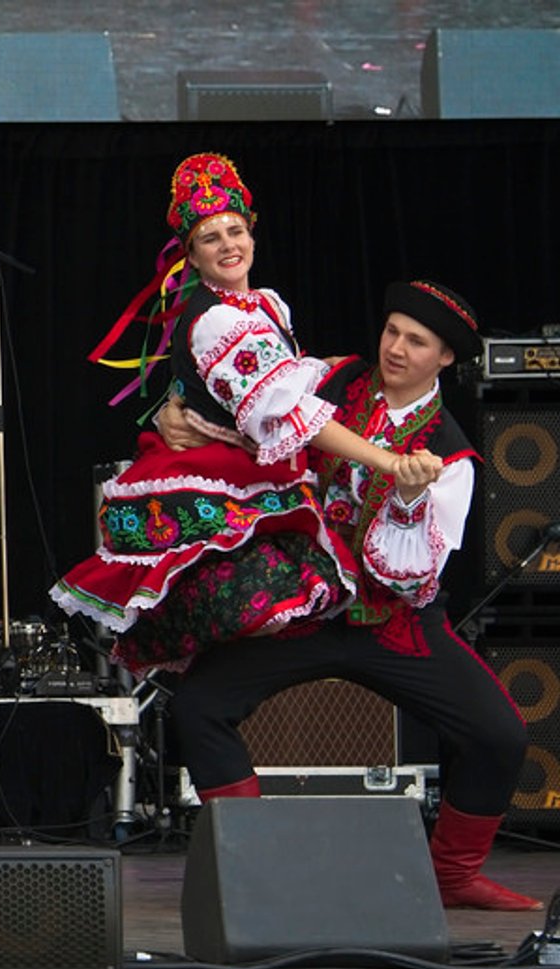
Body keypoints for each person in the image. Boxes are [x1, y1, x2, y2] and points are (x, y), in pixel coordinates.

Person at [155, 280, 538, 911]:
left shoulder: (452, 454)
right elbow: (248, 406)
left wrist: (411, 496)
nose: (395, 348)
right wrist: (175, 411)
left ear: (444, 357)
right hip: (306, 609)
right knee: (198, 705)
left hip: (394, 622)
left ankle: (453, 875)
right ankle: (250, 864)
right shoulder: (329, 380)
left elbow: (412, 575)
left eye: (416, 342)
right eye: (392, 331)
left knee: (499, 736)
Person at [51, 152, 439, 676]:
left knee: (288, 611)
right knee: (258, 604)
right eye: (211, 238)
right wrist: (388, 463)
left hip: (253, 470)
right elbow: (294, 412)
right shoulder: (215, 323)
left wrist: (339, 366)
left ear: (253, 236)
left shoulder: (263, 306)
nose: (228, 245)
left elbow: (288, 377)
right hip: (221, 478)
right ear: (190, 254)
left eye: (236, 231)